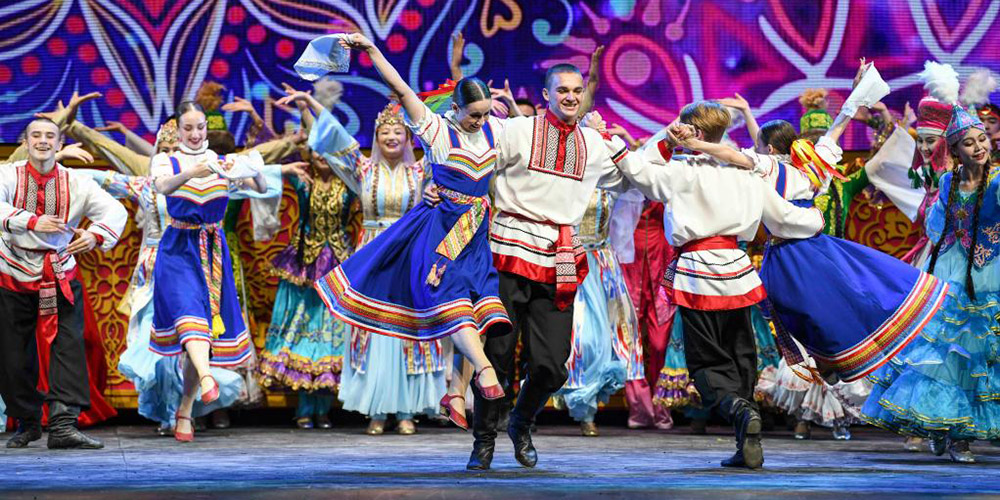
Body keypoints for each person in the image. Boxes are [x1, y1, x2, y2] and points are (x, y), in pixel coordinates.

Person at [313, 34, 511, 438]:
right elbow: (402, 89)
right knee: (454, 304)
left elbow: (535, 131)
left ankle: (456, 393)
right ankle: (484, 370)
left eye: (484, 114)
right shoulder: (436, 130)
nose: (480, 121)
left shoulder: (497, 130)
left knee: (477, 313)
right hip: (440, 233)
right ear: (455, 108)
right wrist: (372, 51)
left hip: (476, 233)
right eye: (474, 115)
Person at [614, 102, 827, 469]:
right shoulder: (747, 173)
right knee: (741, 355)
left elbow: (638, 171)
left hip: (698, 274)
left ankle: (740, 411)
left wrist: (618, 142)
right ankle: (747, 438)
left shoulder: (681, 172)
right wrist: (816, 220)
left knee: (706, 362)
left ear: (693, 132)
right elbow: (782, 217)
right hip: (738, 272)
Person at [472, 63, 634, 470]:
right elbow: (475, 158)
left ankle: (521, 420)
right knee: (496, 356)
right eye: (562, 90)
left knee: (551, 365)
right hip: (509, 250)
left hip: (559, 257)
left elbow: (632, 178)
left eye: (577, 90)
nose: (571, 97)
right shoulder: (518, 131)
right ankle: (484, 440)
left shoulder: (593, 144)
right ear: (546, 94)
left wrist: (658, 143)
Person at [863, 105, 1000, 463]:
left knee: (978, 355)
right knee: (945, 354)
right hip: (952, 270)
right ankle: (942, 425)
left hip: (989, 272)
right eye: (969, 143)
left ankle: (961, 435)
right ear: (954, 150)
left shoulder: (998, 180)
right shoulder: (948, 182)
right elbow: (937, 227)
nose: (979, 147)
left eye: (982, 139)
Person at [0, 117, 128, 449]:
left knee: (68, 347)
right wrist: (31, 220)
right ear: (25, 143)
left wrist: (95, 235)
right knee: (13, 355)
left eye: (50, 136)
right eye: (36, 135)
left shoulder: (77, 182)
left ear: (59, 145)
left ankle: (62, 425)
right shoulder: (8, 175)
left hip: (58, 273)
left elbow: (114, 211)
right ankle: (28, 422)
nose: (42, 141)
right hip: (12, 272)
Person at [149, 101, 267, 442]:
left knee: (200, 333)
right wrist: (192, 172)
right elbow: (163, 187)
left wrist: (252, 166)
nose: (195, 133)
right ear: (178, 129)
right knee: (189, 317)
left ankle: (185, 410)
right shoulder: (167, 161)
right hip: (178, 249)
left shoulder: (221, 161)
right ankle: (206, 377)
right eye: (188, 128)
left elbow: (260, 188)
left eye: (200, 127)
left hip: (213, 252)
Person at [257, 93, 356, 430]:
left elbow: (338, 143)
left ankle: (323, 408)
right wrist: (302, 111)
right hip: (304, 264)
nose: (321, 156)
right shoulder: (303, 180)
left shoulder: (349, 185)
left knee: (330, 335)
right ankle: (303, 407)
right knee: (301, 332)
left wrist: (310, 108)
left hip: (337, 264)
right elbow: (269, 163)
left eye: (326, 151)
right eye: (316, 151)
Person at [553, 188, 641, 436]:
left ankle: (588, 411)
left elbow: (626, 217)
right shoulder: (565, 178)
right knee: (580, 339)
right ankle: (565, 399)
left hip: (602, 265)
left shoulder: (609, 181)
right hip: (571, 262)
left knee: (603, 340)